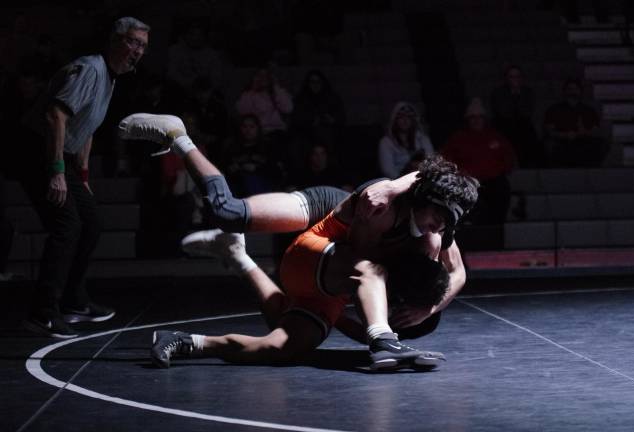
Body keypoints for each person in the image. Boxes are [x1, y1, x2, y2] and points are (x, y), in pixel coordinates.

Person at [118, 113, 479, 370]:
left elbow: (459, 273)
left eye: (445, 224)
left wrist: (427, 310)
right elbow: (373, 243)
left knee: (282, 347)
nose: (438, 228)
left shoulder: (433, 229)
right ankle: (178, 136)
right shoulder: (385, 207)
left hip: (332, 271)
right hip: (327, 226)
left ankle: (196, 322)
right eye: (438, 218)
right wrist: (396, 184)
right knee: (226, 212)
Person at [11, 17, 150, 339]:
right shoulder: (90, 69)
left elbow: (87, 127)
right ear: (116, 41)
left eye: (143, 46)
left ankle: (74, 302)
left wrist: (82, 174)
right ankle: (42, 314)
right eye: (133, 42)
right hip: (36, 151)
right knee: (67, 226)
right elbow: (55, 115)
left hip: (63, 157)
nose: (138, 51)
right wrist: (57, 172)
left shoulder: (111, 79)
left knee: (91, 222)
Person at [442, 98, 516, 225]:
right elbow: (446, 159)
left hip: (493, 182)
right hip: (467, 182)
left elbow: (509, 157)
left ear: (484, 119)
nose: (476, 120)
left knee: (501, 190)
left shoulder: (495, 136)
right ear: (468, 119)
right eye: (473, 117)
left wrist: (500, 170)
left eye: (480, 117)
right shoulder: (458, 138)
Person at [543, 79, 609, 167]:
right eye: (569, 89)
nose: (572, 91)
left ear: (580, 91)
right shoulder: (553, 109)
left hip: (583, 142)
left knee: (602, 143)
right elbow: (549, 131)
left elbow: (596, 131)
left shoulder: (589, 111)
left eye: (575, 89)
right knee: (548, 144)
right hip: (562, 143)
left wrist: (583, 133)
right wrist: (565, 135)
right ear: (564, 91)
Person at [490, 65, 543, 168]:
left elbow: (527, 112)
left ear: (521, 78)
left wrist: (516, 96)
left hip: (523, 126)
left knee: (529, 135)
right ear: (506, 78)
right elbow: (502, 112)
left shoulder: (528, 92)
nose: (515, 79)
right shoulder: (498, 93)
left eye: (517, 76)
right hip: (504, 125)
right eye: (512, 76)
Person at [378, 102, 434, 179]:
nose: (405, 120)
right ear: (395, 119)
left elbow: (431, 161)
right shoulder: (386, 142)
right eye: (401, 117)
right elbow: (388, 170)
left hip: (421, 179)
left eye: (409, 117)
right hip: (397, 183)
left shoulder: (423, 139)